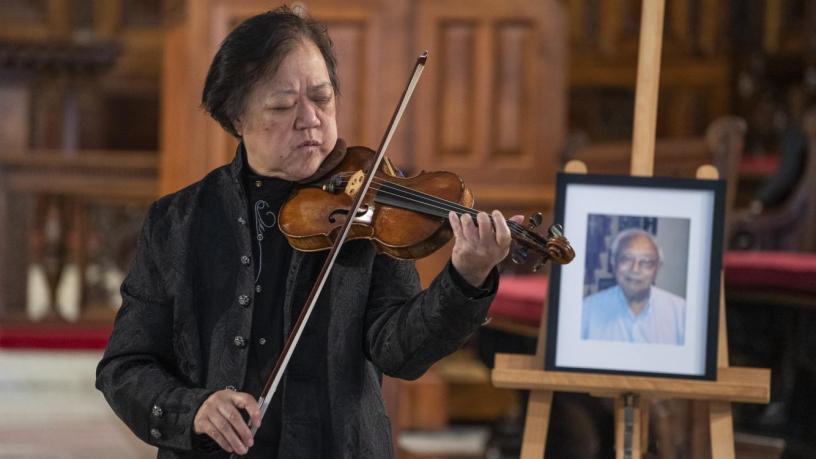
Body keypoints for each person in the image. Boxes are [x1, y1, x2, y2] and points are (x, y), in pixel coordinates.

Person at [95, 7, 522, 459]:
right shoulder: (177, 221)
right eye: (282, 106)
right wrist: (194, 409)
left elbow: (402, 352)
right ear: (236, 118)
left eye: (321, 98)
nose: (310, 119)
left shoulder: (369, 209)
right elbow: (125, 367)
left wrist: (465, 278)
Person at [581, 228, 686, 345]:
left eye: (646, 262)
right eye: (627, 259)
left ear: (658, 267)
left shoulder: (681, 313)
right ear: (613, 262)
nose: (635, 269)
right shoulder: (587, 310)